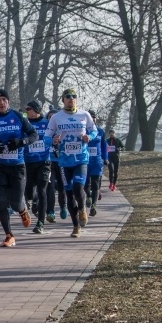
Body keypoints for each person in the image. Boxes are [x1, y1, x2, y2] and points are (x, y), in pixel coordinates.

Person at [0, 89, 38, 247]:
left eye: (4, 99)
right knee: (2, 203)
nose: (2, 102)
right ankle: (9, 235)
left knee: (15, 203)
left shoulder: (18, 117)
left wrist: (20, 142)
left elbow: (33, 135)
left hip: (17, 166)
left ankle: (22, 209)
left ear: (8, 102)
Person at [44, 88, 97, 237]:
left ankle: (82, 209)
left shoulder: (84, 115)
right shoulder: (56, 117)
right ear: (63, 100)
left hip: (81, 159)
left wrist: (89, 137)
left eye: (74, 96)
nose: (71, 99)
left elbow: (94, 131)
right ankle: (75, 227)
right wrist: (53, 140)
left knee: (78, 187)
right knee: (68, 193)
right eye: (68, 96)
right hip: (64, 161)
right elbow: (46, 137)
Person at [23, 100, 51, 234]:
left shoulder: (46, 124)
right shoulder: (24, 124)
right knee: (28, 190)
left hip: (43, 162)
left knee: (42, 190)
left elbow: (53, 137)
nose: (26, 111)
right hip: (27, 162)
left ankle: (40, 222)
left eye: (28, 109)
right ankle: (33, 201)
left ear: (36, 110)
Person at [84, 110, 108, 217]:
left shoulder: (100, 131)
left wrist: (105, 158)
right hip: (84, 161)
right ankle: (88, 196)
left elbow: (104, 146)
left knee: (95, 184)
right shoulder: (82, 131)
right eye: (90, 117)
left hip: (96, 162)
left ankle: (93, 205)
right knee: (85, 185)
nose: (93, 119)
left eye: (94, 117)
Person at [45, 109, 66, 223]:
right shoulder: (46, 132)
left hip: (61, 162)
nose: (51, 119)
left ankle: (63, 206)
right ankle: (51, 211)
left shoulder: (63, 130)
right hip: (49, 162)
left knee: (62, 187)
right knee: (50, 187)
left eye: (54, 117)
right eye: (49, 117)